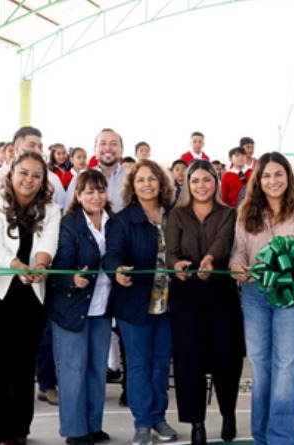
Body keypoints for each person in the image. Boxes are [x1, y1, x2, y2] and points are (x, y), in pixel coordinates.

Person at [229, 152, 294, 445]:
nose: (272, 180)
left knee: (287, 365)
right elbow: (239, 251)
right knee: (260, 366)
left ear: (288, 177)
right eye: (266, 175)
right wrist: (236, 266)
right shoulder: (245, 213)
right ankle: (261, 437)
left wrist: (269, 268)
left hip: (289, 293)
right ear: (258, 180)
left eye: (278, 174)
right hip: (254, 294)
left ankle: (283, 438)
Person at [0, 151, 61, 445]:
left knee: (25, 364)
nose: (29, 180)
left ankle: (20, 428)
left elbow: (48, 242)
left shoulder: (51, 209)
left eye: (36, 175)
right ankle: (0, 431)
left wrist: (40, 265)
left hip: (32, 295)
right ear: (11, 173)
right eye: (23, 173)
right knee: (0, 362)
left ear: (43, 180)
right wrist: (14, 266)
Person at [165, 160, 241, 445]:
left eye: (206, 180)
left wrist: (209, 259)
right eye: (195, 180)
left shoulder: (229, 213)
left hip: (221, 294)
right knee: (189, 360)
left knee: (226, 358)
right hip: (186, 296)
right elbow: (170, 253)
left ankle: (228, 414)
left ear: (216, 183)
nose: (201, 186)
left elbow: (223, 241)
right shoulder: (177, 214)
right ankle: (197, 423)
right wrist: (177, 266)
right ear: (187, 184)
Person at [103, 160, 178, 445]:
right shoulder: (122, 220)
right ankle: (143, 422)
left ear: (161, 183)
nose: (147, 184)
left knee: (161, 364)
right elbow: (112, 255)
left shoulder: (175, 216)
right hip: (135, 305)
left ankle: (160, 418)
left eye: (152, 179)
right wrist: (117, 271)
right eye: (140, 180)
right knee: (138, 365)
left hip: (169, 305)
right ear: (132, 187)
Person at [45, 170, 114, 445]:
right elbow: (59, 266)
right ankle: (75, 431)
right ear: (78, 195)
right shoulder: (69, 224)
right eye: (89, 192)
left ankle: (93, 425)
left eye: (100, 191)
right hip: (71, 308)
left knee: (97, 369)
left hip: (102, 307)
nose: (95, 196)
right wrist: (72, 278)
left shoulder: (114, 222)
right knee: (72, 370)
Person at [0, 126, 67, 208]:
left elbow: (61, 208)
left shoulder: (52, 178)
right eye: (32, 145)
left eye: (40, 146)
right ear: (17, 148)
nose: (37, 150)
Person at [65, 129, 129, 212]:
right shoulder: (80, 177)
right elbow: (68, 212)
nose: (108, 148)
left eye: (113, 143)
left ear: (122, 150)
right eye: (102, 143)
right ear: (95, 149)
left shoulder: (134, 177)